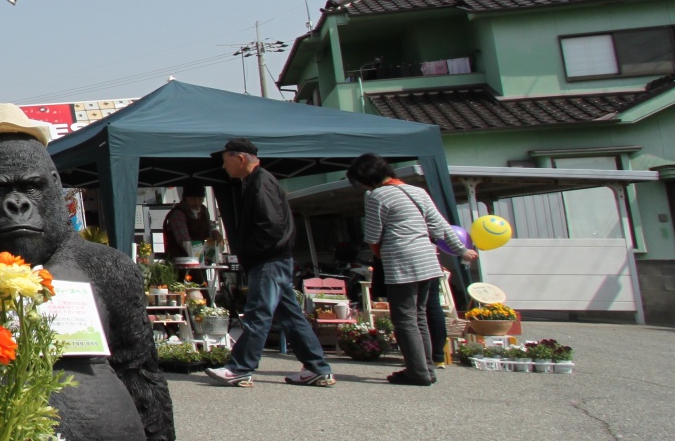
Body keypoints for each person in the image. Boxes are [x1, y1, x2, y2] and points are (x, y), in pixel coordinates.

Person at [205, 138, 336, 388]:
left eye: (226, 161)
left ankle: (240, 368)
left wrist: (254, 253)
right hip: (274, 258)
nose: (224, 167)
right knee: (290, 315)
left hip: (268, 259)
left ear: (240, 158)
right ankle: (317, 367)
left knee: (258, 313)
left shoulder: (260, 183)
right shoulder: (258, 181)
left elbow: (271, 225)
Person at [347, 152, 475, 386]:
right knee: (420, 317)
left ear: (367, 177)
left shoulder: (378, 195)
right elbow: (441, 225)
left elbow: (373, 234)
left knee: (404, 319)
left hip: (401, 261)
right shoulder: (418, 192)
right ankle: (426, 367)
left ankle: (417, 371)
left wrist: (377, 252)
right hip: (428, 259)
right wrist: (461, 250)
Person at [162, 185, 215, 260]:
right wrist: (202, 257)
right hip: (180, 260)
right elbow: (185, 241)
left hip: (199, 258)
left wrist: (214, 231)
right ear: (185, 198)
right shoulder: (178, 213)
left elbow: (209, 225)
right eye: (192, 199)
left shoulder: (203, 210)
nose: (197, 203)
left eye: (200, 199)